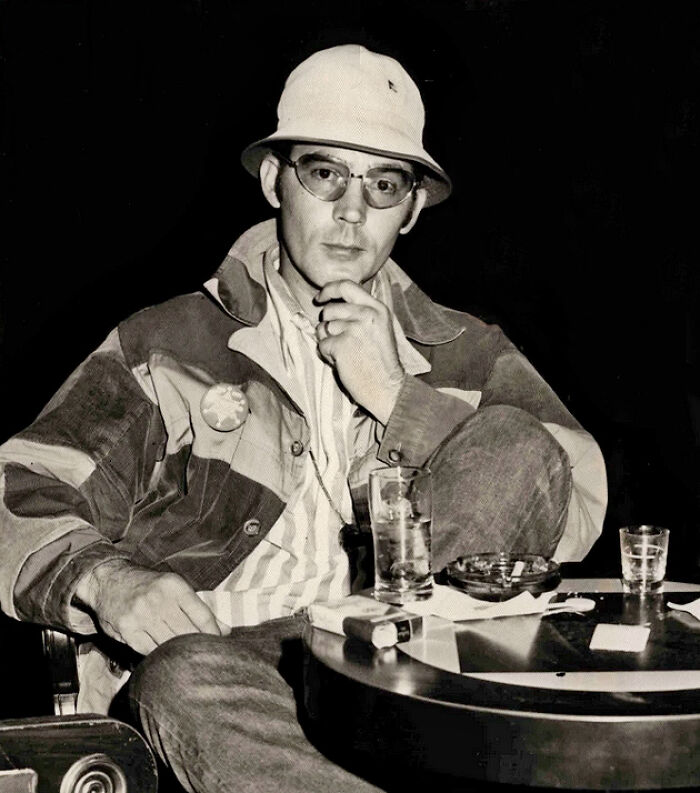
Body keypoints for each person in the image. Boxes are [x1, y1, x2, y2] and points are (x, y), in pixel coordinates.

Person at [0, 45, 606, 792]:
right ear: (273, 181)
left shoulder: (466, 351)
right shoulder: (169, 345)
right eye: (325, 174)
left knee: (518, 443)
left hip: (410, 664)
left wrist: (396, 395)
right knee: (180, 677)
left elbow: (573, 494)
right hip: (241, 677)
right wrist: (108, 581)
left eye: (384, 185)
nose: (352, 213)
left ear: (412, 209)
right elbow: (18, 485)